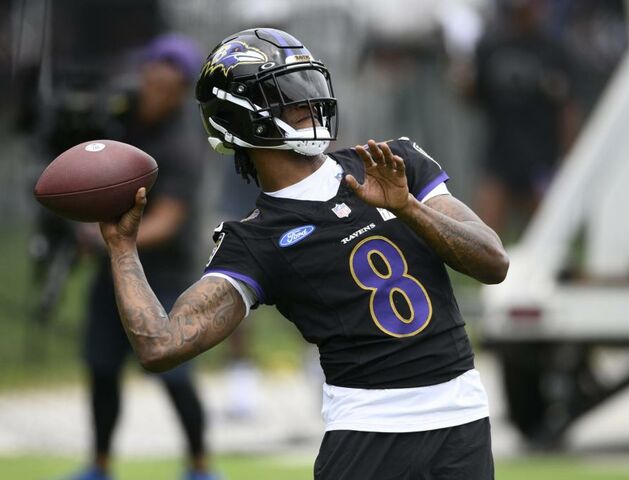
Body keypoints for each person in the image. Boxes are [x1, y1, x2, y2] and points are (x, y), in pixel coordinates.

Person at [98, 28, 509, 479]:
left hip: (462, 421)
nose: (309, 102)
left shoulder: (392, 163)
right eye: (288, 93)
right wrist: (122, 248)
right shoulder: (255, 239)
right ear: (240, 117)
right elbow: (160, 346)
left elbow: (493, 262)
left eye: (308, 85)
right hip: (368, 433)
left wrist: (409, 208)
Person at [70, 34, 219, 480]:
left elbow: (167, 220)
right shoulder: (119, 120)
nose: (153, 90)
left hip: (165, 274)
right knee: (101, 367)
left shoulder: (181, 143)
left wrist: (109, 241)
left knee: (173, 373)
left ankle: (200, 467)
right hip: (114, 271)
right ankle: (99, 466)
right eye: (150, 79)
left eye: (164, 85)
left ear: (179, 91)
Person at [471, 0, 578, 239]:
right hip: (500, 154)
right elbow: (475, 95)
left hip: (540, 156)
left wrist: (569, 155)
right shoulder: (491, 46)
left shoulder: (553, 50)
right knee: (482, 236)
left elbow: (567, 108)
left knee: (542, 236)